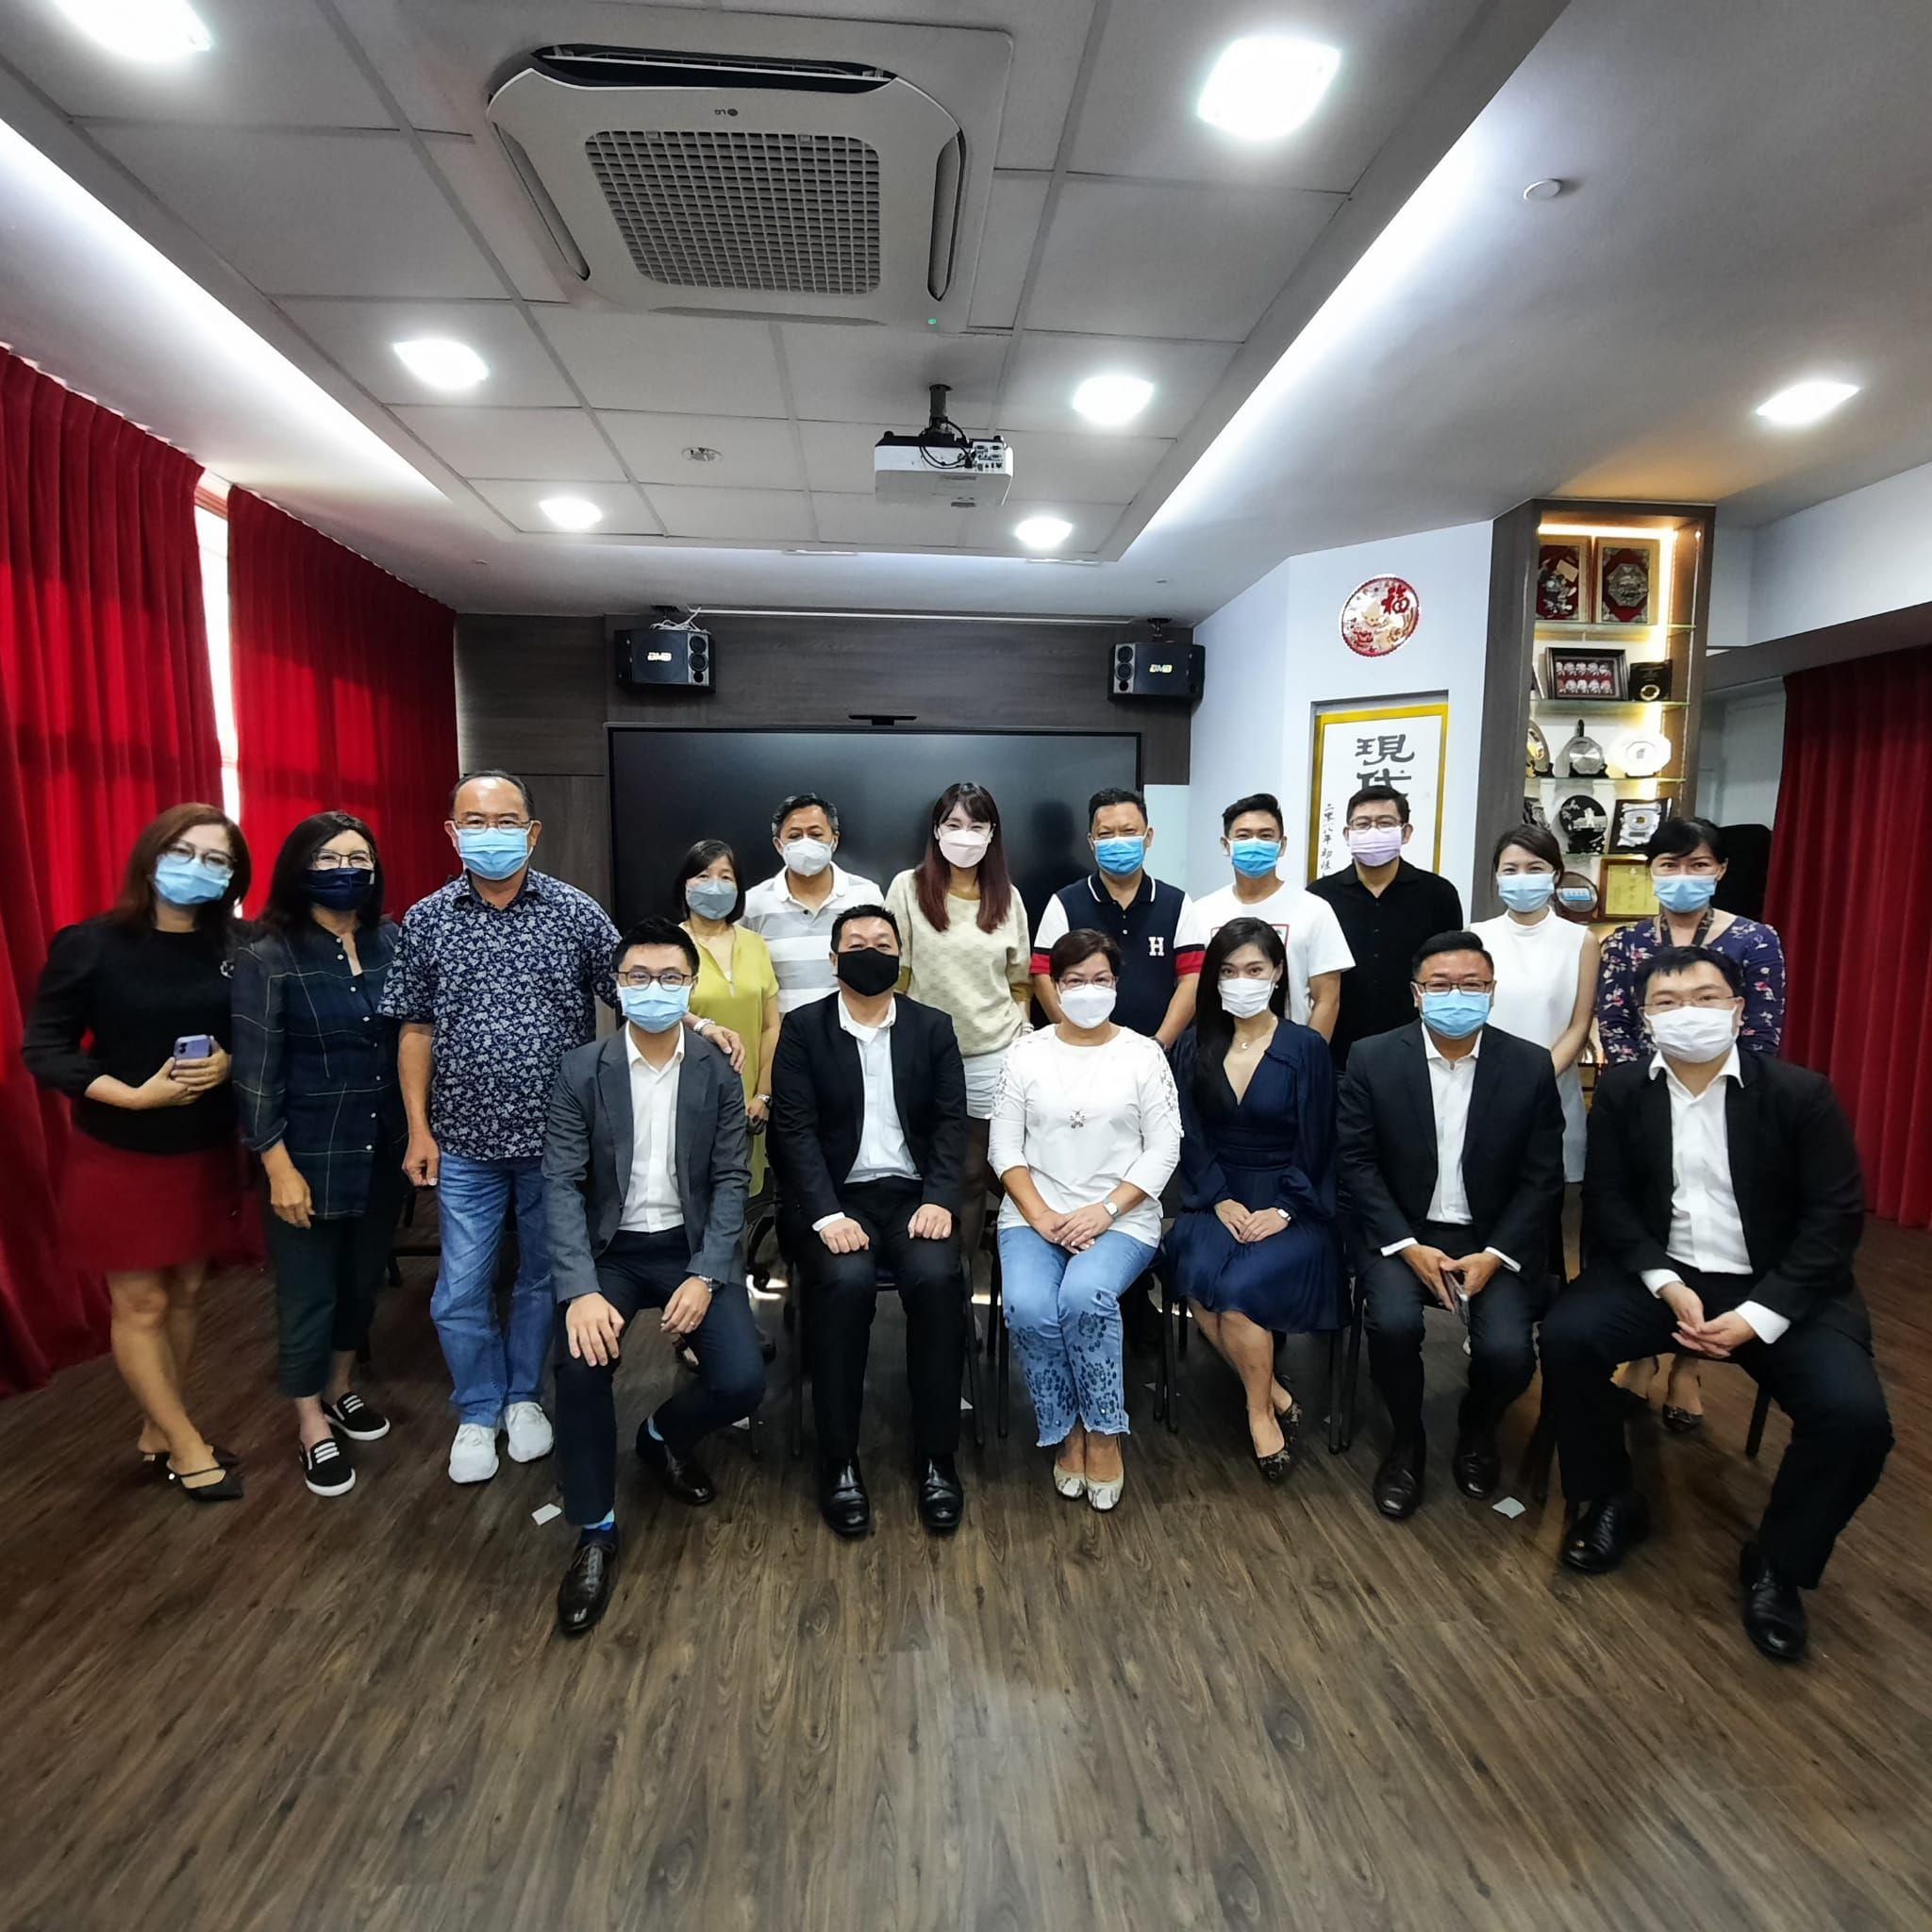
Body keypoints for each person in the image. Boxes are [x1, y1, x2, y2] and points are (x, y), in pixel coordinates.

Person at [379, 771, 739, 1486]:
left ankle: (523, 1398)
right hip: (466, 1141)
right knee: (460, 1287)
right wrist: (418, 1128)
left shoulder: (573, 912)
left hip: (562, 1145)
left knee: (544, 1280)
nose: (490, 834)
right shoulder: (426, 919)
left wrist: (698, 1024)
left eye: (506, 821)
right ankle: (478, 1407)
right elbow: (415, 1029)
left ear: (533, 831)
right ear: (451, 832)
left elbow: (639, 984)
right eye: (474, 822)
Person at [1541, 947, 1890, 1664]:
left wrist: (1760, 1316)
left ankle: (1779, 1563)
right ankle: (1611, 1498)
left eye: (1706, 998)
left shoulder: (1800, 1095)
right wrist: (1665, 1283)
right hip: (1665, 1277)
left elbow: (1834, 1219)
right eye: (1668, 1003)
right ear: (1645, 1019)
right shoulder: (1625, 1090)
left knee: (1855, 1420)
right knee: (1569, 1336)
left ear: (1738, 1010)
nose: (1688, 1014)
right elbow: (1608, 1202)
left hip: (1782, 1287)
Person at [23, 804, 251, 1501]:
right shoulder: (91, 944)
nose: (198, 868)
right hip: (120, 1150)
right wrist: (129, 1095)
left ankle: (159, 1427)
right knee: (142, 1302)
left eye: (217, 860)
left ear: (233, 877)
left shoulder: (240, 945)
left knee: (187, 1291)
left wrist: (232, 1060)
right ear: (151, 857)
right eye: (184, 852)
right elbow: (45, 1047)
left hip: (204, 1148)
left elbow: (266, 1028)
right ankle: (186, 1442)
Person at [543, 919, 764, 1636]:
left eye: (671, 977)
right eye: (637, 977)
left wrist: (706, 1273)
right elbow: (560, 1184)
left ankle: (661, 1435)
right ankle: (595, 1529)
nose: (654, 989)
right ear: (616, 985)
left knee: (742, 1380)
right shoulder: (582, 1069)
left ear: (691, 985)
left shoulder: (716, 1069)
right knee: (579, 1366)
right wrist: (579, 1290)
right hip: (610, 1253)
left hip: (687, 1247)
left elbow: (731, 1180)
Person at [1337, 931, 1563, 1519]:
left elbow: (1543, 1177)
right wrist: (1406, 1245)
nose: (1456, 996)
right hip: (1403, 1232)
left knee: (1510, 1354)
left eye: (1472, 985)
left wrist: (1496, 1254)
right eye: (1440, 985)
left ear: (1492, 991)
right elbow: (1356, 1163)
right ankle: (1406, 1441)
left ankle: (1478, 1426)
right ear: (1416, 994)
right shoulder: (1372, 1057)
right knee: (1391, 1324)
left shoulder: (1529, 1065)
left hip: (1492, 1239)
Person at [769, 905, 969, 1539]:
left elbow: (951, 1124)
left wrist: (940, 1198)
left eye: (883, 943)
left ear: (900, 957)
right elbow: (793, 1131)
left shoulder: (932, 1027)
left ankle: (937, 1455)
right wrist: (826, 1214)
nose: (870, 952)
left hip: (914, 1197)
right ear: (833, 959)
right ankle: (839, 1459)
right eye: (856, 943)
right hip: (835, 1198)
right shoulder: (803, 1029)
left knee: (937, 1280)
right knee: (845, 1282)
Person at [232, 812, 406, 1497]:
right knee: (309, 1292)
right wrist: (276, 1166)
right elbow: (255, 1074)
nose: (345, 869)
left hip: (382, 1145)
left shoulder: (393, 940)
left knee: (362, 1283)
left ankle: (339, 1388)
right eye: (328, 858)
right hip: (306, 1150)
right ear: (300, 868)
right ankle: (310, 1422)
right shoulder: (268, 953)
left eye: (358, 857)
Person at [1595, 815, 1787, 1430]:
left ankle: (1687, 1366)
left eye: (1698, 864)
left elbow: (1760, 1028)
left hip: (1729, 1102)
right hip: (1644, 1105)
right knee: (1648, 1219)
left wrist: (1707, 1084)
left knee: (1708, 1224)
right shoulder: (1625, 942)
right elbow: (1615, 1022)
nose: (1684, 876)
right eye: (1670, 865)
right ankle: (1644, 1350)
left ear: (1721, 869)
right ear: (1651, 871)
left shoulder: (1755, 939)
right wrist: (1647, 1092)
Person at [991, 929, 1183, 1512]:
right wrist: (1042, 1215)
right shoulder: (1025, 1053)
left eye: (1100, 979)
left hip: (1122, 1217)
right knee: (1027, 1304)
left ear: (1117, 985)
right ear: (1054, 987)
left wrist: (1105, 1210)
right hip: (1035, 1213)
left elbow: (1165, 1148)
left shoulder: (1143, 1054)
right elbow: (1004, 1148)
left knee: (1084, 1296)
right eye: (1074, 981)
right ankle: (1064, 1426)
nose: (1088, 991)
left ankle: (1103, 1431)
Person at [1164, 919, 1342, 1480]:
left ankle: (1258, 1412)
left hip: (1292, 1199)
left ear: (1278, 973)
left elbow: (1319, 1141)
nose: (1241, 981)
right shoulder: (1195, 1043)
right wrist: (1216, 1197)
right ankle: (1273, 1395)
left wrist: (1286, 1208)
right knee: (1193, 1267)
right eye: (1228, 971)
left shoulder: (1306, 1048)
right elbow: (1188, 1131)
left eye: (1254, 969)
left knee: (1237, 1294)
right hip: (1218, 1193)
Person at [884, 782, 1033, 1270]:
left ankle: (966, 1282)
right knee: (938, 1170)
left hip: (994, 1052)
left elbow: (1020, 982)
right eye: (953, 824)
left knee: (978, 1174)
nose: (964, 835)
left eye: (976, 825)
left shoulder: (1008, 897)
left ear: (992, 834)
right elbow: (896, 976)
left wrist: (1022, 1034)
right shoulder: (907, 888)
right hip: (928, 1054)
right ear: (936, 830)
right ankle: (940, 1279)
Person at [1469, 823, 1600, 1189]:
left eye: (1535, 868)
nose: (1522, 878)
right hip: (1483, 1088)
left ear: (1555, 874)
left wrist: (1534, 1079)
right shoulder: (1476, 936)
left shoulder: (1581, 941)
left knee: (1545, 1197)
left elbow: (1579, 1024)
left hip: (1551, 1089)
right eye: (1511, 870)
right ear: (1497, 876)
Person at [1031, 787, 1204, 1046]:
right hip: (1083, 1051)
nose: (1117, 841)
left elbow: (1191, 979)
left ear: (1148, 837)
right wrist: (1075, 1039)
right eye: (1106, 834)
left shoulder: (1177, 904)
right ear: (1092, 842)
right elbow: (1042, 976)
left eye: (1128, 831)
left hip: (1160, 1051)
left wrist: (1158, 1045)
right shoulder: (1064, 903)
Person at [1309, 785, 1464, 1067]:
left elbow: (1450, 971)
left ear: (1406, 832)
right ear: (1347, 834)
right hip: (1338, 1052)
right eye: (1363, 824)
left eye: (1385, 823)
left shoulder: (1438, 894)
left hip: (1416, 1051)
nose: (1373, 831)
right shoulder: (1320, 896)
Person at [1191, 792, 1354, 1041]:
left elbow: (1327, 999)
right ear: (1226, 845)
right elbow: (1193, 989)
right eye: (1243, 836)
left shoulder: (1314, 909)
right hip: (1219, 1047)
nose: (1255, 843)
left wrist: (1308, 1055)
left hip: (1290, 1049)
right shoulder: (1202, 911)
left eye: (1265, 835)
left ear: (1282, 844)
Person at [676, 840, 781, 1196]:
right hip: (690, 1098)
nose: (715, 886)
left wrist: (763, 1094)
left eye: (725, 877)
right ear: (684, 884)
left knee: (740, 1198)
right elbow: (658, 1014)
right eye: (703, 876)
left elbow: (771, 1025)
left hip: (749, 1102)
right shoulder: (669, 945)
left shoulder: (755, 944)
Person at [741, 793, 883, 1014]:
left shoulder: (866, 894)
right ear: (779, 845)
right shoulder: (754, 903)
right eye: (795, 836)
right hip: (783, 1031)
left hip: (851, 1026)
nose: (806, 842)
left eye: (816, 834)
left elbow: (883, 967)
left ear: (834, 840)